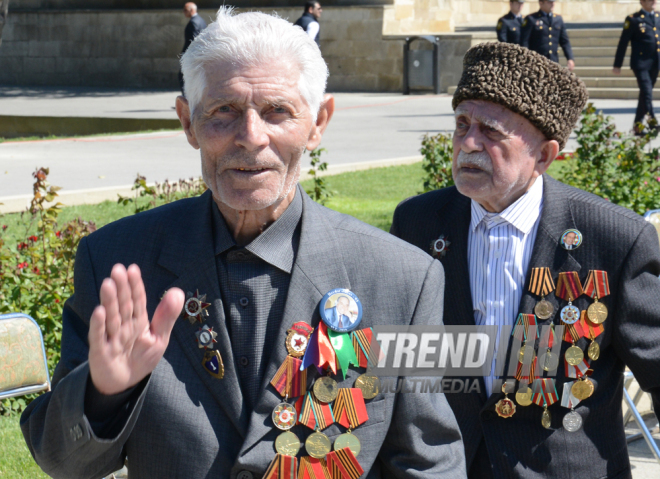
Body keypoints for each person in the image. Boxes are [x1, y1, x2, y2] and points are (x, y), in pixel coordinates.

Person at [20, 8, 466, 479]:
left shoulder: (402, 280)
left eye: (278, 111)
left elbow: (427, 462)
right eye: (223, 112)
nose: (251, 138)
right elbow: (61, 462)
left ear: (318, 122)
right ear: (187, 122)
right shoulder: (116, 262)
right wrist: (102, 393)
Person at [391, 42, 660, 478]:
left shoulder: (613, 239)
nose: (468, 144)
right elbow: (400, 367)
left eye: (492, 132)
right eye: (462, 124)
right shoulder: (418, 223)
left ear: (545, 155)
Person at [614, 0, 660, 135]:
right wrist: (618, 64)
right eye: (650, 0)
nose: (654, 2)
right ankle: (653, 123)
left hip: (655, 62)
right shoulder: (633, 19)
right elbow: (623, 42)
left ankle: (637, 127)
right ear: (642, 2)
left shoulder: (657, 17)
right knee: (647, 92)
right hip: (640, 63)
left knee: (644, 95)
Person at [521, 0, 575, 71]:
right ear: (541, 3)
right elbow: (524, 41)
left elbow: (564, 41)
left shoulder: (558, 19)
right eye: (549, 2)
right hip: (537, 62)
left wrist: (570, 58)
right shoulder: (531, 19)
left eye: (553, 2)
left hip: (553, 61)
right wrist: (526, 59)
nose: (552, 4)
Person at [178, 2, 207, 94]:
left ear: (191, 10)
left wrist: (186, 56)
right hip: (200, 55)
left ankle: (186, 101)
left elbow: (192, 42)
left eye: (185, 10)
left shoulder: (193, 23)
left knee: (182, 77)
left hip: (193, 56)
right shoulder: (201, 21)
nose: (184, 12)